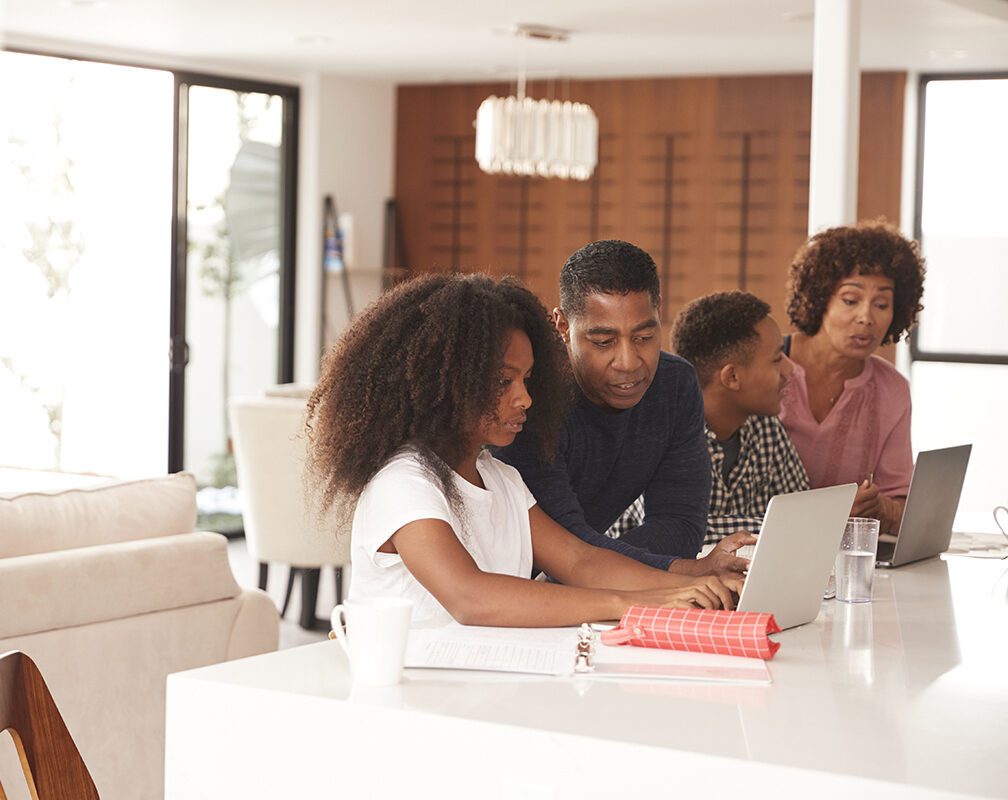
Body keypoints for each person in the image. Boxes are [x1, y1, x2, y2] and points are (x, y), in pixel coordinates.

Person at [305, 273, 738, 628]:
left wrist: (683, 591)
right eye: (502, 382)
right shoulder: (404, 483)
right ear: (444, 384)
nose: (525, 399)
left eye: (527, 380)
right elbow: (470, 597)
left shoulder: (503, 479)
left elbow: (581, 561)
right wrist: (635, 603)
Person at [498, 240, 752, 575]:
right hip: (503, 589)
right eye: (603, 342)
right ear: (563, 327)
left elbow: (680, 523)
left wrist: (644, 571)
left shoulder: (674, 386)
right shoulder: (526, 401)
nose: (629, 363)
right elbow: (566, 543)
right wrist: (679, 571)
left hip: (580, 585)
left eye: (644, 337)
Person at [612, 291, 809, 545]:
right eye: (775, 360)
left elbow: (803, 518)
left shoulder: (765, 425)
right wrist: (771, 528)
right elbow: (667, 530)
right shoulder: (660, 428)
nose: (790, 368)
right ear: (732, 378)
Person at [780, 220, 926, 534]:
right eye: (850, 300)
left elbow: (903, 507)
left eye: (882, 304)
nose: (866, 317)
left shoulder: (892, 390)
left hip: (847, 560)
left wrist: (876, 507)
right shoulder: (766, 366)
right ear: (819, 299)